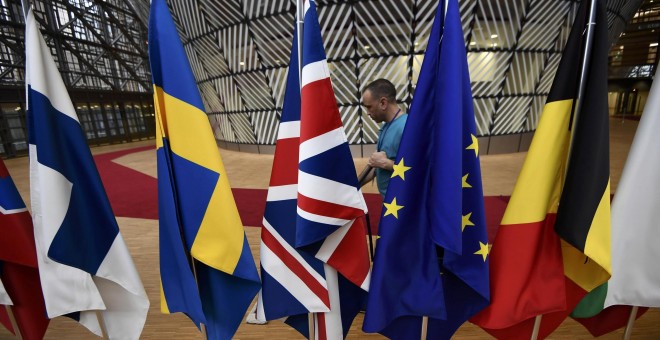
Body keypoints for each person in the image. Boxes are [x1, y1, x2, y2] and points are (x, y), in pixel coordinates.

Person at [358, 79, 408, 197]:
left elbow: (419, 169)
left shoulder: (406, 127)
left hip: (403, 204)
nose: (367, 113)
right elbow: (376, 166)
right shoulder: (386, 125)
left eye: (369, 107)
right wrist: (354, 185)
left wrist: (386, 163)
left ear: (383, 103)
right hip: (390, 203)